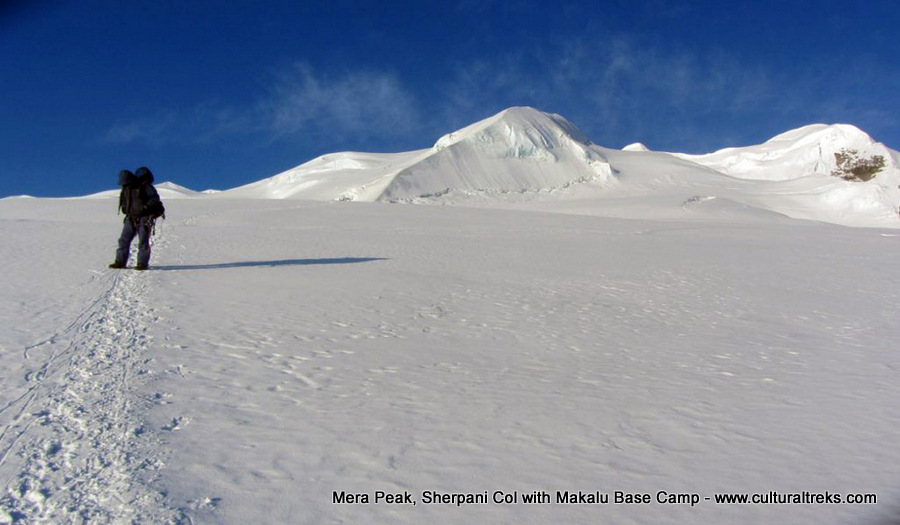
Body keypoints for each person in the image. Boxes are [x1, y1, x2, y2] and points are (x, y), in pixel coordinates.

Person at [109, 166, 165, 270]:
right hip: (131, 217)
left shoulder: (145, 187)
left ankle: (142, 263)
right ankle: (120, 262)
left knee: (143, 241)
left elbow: (155, 199)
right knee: (124, 240)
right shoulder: (127, 189)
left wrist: (146, 207)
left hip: (144, 217)